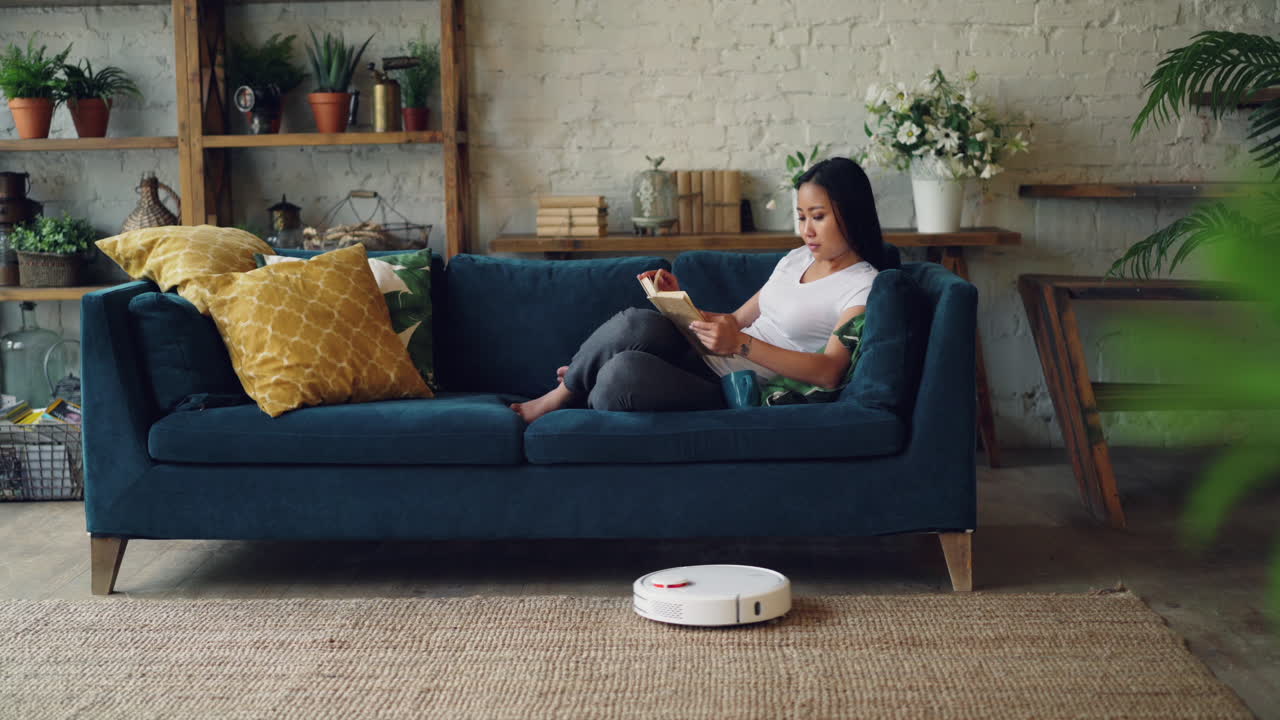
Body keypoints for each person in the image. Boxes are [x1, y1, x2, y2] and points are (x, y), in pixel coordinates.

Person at [510, 156, 890, 423]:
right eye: (802, 217)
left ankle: (588, 379)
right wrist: (681, 302)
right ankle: (561, 394)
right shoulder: (796, 259)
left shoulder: (862, 285)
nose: (807, 230)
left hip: (736, 388)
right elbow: (734, 321)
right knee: (636, 322)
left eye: (818, 217)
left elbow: (829, 372)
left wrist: (741, 344)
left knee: (620, 376)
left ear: (850, 212)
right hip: (707, 356)